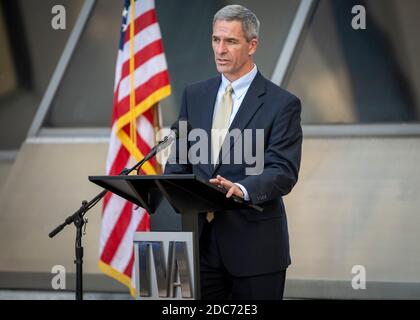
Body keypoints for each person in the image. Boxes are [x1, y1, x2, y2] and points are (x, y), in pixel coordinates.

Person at [164, 4, 302, 300]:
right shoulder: (194, 94)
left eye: (231, 41)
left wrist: (241, 188)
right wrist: (161, 184)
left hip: (255, 249)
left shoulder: (282, 104)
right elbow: (179, 160)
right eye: (216, 40)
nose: (220, 50)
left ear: (252, 45)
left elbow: (283, 170)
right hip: (197, 246)